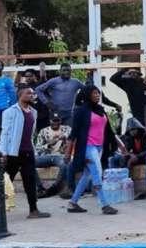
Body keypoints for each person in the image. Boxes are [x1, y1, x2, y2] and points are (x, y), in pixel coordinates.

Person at [66, 85, 123, 215]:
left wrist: (121, 145)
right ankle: (104, 205)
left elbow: (109, 130)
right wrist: (68, 153)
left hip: (99, 147)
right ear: (87, 95)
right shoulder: (80, 111)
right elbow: (73, 134)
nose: (97, 95)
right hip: (87, 147)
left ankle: (73, 203)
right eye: (94, 93)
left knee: (87, 175)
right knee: (97, 173)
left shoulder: (101, 110)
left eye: (98, 93)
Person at [0, 85, 50, 219]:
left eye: (33, 94)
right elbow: (5, 133)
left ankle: (33, 210)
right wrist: (3, 152)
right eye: (29, 93)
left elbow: (31, 134)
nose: (32, 95)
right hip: (13, 153)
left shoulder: (33, 112)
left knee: (30, 182)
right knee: (6, 182)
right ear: (20, 95)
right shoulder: (10, 111)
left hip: (28, 152)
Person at [34, 114, 71, 199]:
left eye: (57, 121)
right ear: (49, 121)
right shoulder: (44, 131)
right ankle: (40, 188)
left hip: (59, 156)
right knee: (28, 163)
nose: (55, 123)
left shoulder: (66, 129)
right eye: (53, 121)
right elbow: (38, 148)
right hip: (46, 156)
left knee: (65, 164)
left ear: (60, 121)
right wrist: (48, 144)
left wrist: (62, 137)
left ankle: (54, 188)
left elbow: (70, 134)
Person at [16, 66, 50, 130]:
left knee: (43, 133)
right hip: (29, 115)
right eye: (26, 76)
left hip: (42, 115)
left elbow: (43, 76)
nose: (28, 78)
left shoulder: (40, 84)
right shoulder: (22, 87)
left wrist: (42, 66)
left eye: (30, 76)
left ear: (34, 76)